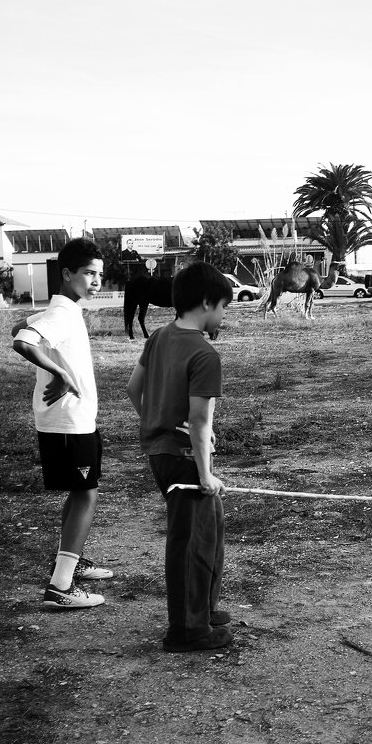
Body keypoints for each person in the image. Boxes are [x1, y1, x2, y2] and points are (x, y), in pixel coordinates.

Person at [125, 262, 234, 652]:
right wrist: (205, 473)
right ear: (206, 303)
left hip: (163, 453)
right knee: (191, 540)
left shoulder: (158, 336)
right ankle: (187, 630)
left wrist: (156, 423)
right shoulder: (205, 354)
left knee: (211, 526)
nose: (224, 315)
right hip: (185, 458)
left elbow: (133, 388)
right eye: (223, 307)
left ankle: (204, 606)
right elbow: (201, 420)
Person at [11, 238, 113, 610]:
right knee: (87, 493)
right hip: (69, 422)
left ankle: (68, 560)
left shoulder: (63, 310)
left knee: (79, 490)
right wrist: (59, 372)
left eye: (100, 274)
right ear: (67, 273)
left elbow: (18, 328)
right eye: (88, 273)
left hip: (72, 420)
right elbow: (22, 342)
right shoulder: (63, 313)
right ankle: (60, 586)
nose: (96, 280)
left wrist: (31, 325)